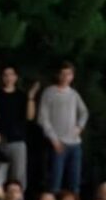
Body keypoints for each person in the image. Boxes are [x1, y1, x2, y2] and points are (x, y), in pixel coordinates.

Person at [38, 61, 89, 193]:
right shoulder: (49, 92)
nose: (66, 77)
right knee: (55, 181)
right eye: (63, 74)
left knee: (74, 181)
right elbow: (43, 118)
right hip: (57, 143)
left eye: (69, 74)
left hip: (74, 143)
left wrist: (79, 127)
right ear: (58, 75)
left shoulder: (73, 94)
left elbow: (84, 112)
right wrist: (53, 139)